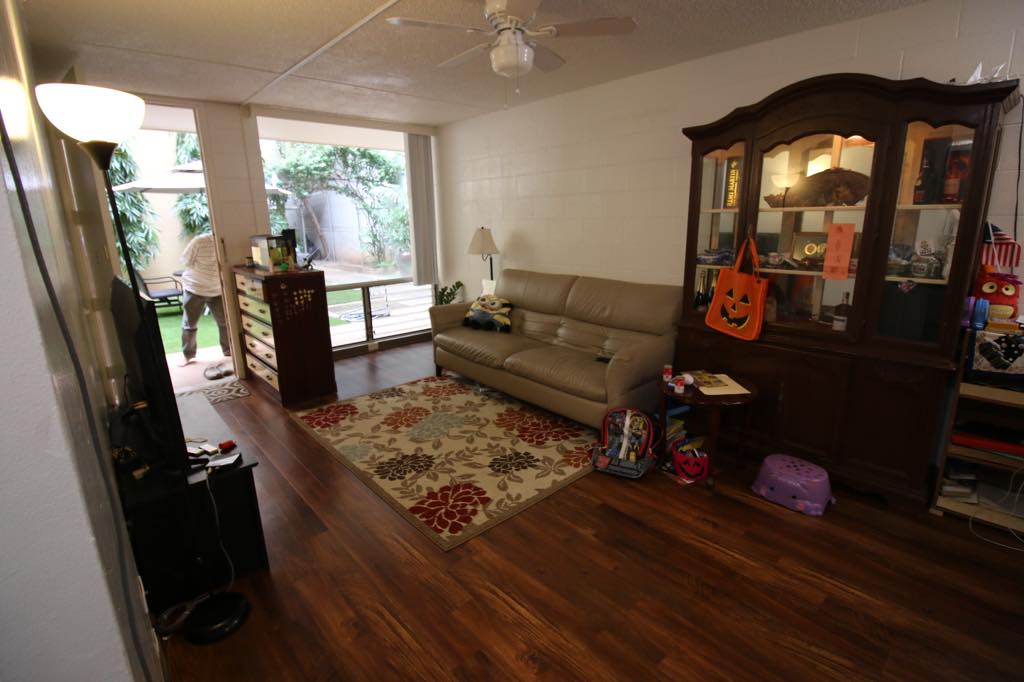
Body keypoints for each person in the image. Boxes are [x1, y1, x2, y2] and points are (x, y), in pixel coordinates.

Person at [179, 231, 229, 366]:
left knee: (224, 322)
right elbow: (186, 261)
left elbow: (185, 261)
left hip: (216, 288)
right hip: (195, 287)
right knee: (190, 324)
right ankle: (188, 355)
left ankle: (228, 351)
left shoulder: (223, 241)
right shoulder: (200, 241)